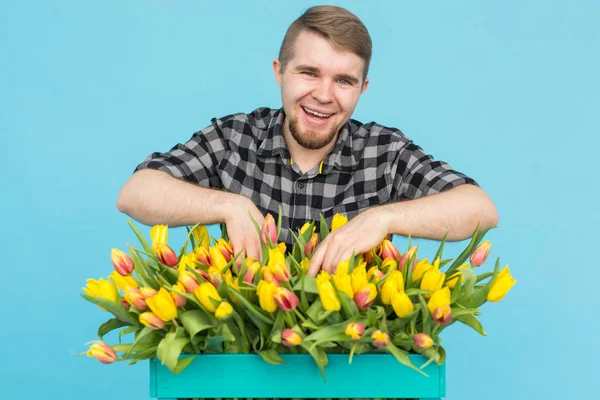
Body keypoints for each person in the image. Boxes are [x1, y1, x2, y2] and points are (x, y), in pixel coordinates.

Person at [116, 5, 498, 278]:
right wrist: (229, 206)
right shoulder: (234, 138)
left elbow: (479, 208)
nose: (324, 95)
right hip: (247, 360)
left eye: (343, 81)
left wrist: (383, 218)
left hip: (351, 362)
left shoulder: (385, 152)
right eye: (309, 73)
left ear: (362, 89)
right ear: (279, 73)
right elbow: (136, 192)